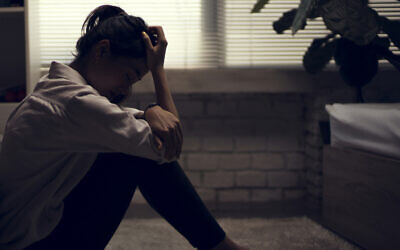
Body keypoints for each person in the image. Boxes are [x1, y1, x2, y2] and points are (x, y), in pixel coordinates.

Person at [0, 5, 250, 250]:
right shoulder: (74, 102)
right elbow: (168, 146)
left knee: (126, 148)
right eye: (128, 77)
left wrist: (150, 111)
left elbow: (135, 122)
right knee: (140, 158)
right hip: (30, 243)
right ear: (102, 51)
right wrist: (157, 69)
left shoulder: (57, 88)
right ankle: (222, 248)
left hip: (32, 226)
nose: (125, 90)